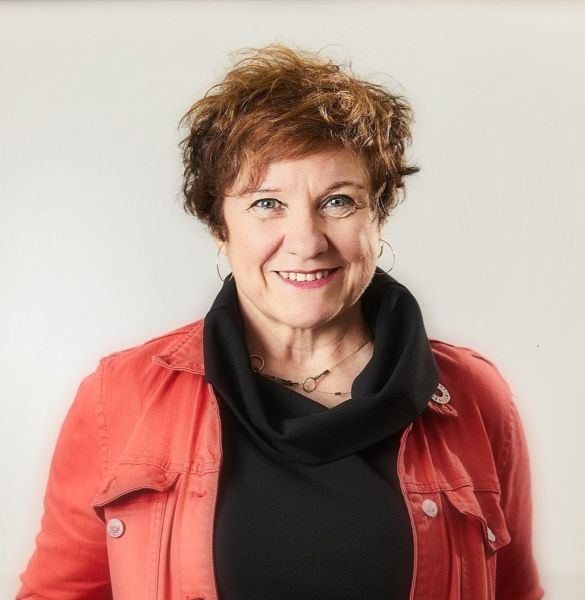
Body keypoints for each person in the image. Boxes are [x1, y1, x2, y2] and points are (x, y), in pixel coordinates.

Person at [17, 45, 543, 599]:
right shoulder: (119, 396)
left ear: (379, 214)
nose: (306, 242)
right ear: (219, 226)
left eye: (338, 202)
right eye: (267, 204)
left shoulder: (475, 397)